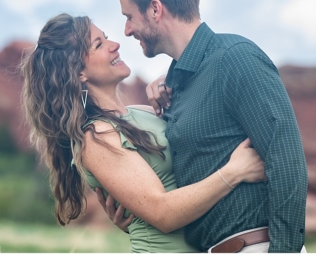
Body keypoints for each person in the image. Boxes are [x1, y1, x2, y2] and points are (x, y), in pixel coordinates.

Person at [106, 0, 309, 253]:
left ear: (155, 9)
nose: (127, 30)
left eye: (129, 17)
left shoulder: (236, 59)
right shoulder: (177, 80)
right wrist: (139, 214)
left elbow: (287, 162)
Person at [20, 13, 267, 253]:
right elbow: (163, 213)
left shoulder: (140, 113)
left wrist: (174, 86)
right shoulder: (97, 137)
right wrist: (234, 172)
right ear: (78, 72)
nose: (115, 45)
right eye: (99, 44)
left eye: (106, 37)